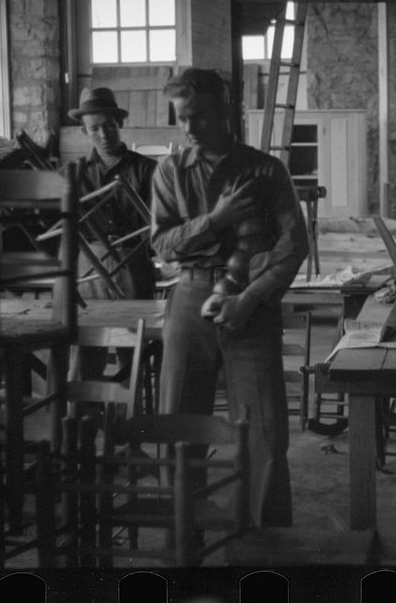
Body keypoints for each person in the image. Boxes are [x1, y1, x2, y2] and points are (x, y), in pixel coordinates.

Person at [151, 68, 309, 528]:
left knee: (264, 429)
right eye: (181, 118)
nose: (188, 128)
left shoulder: (265, 169)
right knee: (179, 423)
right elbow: (162, 245)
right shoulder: (169, 171)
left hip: (252, 306)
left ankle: (264, 541)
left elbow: (292, 245)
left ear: (224, 113)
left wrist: (251, 299)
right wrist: (215, 220)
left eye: (199, 117)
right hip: (189, 300)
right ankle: (186, 531)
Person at [68, 87, 158, 381]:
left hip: (133, 263)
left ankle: (131, 422)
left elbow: (159, 224)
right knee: (87, 346)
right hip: (89, 265)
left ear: (119, 125)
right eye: (95, 128)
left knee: (132, 352)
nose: (104, 135)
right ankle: (80, 421)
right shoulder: (73, 173)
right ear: (85, 131)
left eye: (109, 126)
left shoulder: (146, 169)